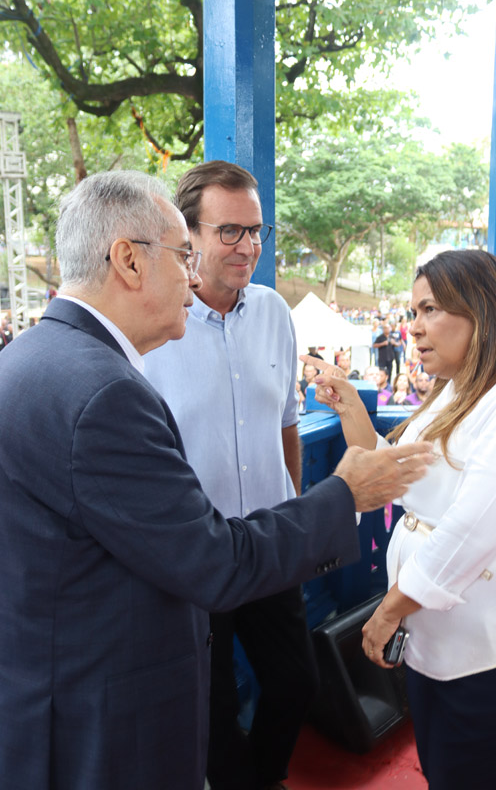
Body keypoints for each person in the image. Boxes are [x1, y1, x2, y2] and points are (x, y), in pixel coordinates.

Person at [0, 170, 433, 790]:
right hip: (108, 708)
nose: (192, 274)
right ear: (128, 260)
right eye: (184, 253)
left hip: (69, 678)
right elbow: (212, 560)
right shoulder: (105, 393)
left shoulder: (33, 358)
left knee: (290, 683)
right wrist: (346, 492)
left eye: (254, 231)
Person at [304, 248, 496, 790]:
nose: (414, 329)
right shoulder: (458, 390)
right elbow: (395, 475)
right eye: (412, 314)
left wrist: (387, 612)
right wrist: (350, 409)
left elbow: (471, 531)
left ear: (480, 311)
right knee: (442, 768)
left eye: (429, 310)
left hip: (488, 649)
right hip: (433, 637)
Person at [144, 160, 317, 790]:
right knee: (210, 710)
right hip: (196, 558)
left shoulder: (275, 312)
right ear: (188, 235)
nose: (247, 247)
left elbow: (288, 424)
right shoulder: (156, 327)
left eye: (256, 231)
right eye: (230, 232)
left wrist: (295, 510)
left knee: (298, 682)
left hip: (271, 545)